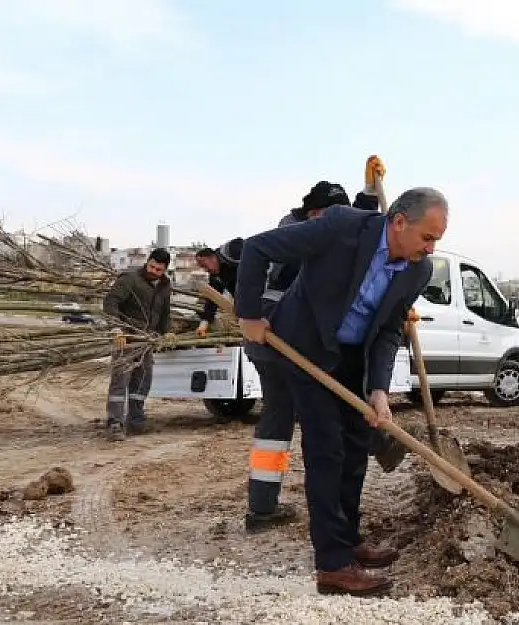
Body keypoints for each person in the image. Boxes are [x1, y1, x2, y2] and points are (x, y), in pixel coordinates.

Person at [234, 186, 447, 596]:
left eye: (437, 239)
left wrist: (379, 389)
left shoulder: (418, 270)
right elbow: (259, 249)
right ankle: (332, 565)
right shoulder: (339, 227)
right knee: (327, 449)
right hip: (305, 347)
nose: (432, 247)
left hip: (353, 357)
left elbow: (387, 331)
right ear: (399, 222)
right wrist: (249, 315)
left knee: (356, 447)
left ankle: (347, 540)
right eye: (427, 237)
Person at [244, 163, 404, 535]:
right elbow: (347, 249)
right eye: (334, 213)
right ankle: (269, 510)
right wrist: (249, 315)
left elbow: (363, 242)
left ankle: (264, 508)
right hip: (276, 341)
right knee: (305, 420)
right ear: (315, 213)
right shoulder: (295, 234)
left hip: (290, 344)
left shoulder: (325, 229)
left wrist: (368, 192)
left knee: (294, 419)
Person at [101, 248, 176, 442]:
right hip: (126, 338)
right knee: (120, 381)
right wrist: (116, 328)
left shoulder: (165, 286)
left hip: (146, 340)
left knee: (143, 380)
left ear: (165, 269)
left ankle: (136, 419)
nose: (153, 271)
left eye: (158, 269)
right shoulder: (130, 279)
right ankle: (114, 423)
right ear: (147, 261)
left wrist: (167, 331)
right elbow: (111, 302)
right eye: (151, 266)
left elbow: (165, 313)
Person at [194, 239, 243, 338]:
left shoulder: (231, 253)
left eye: (204, 265)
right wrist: (203, 325)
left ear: (212, 258)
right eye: (202, 268)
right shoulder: (215, 276)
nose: (205, 270)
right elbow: (212, 300)